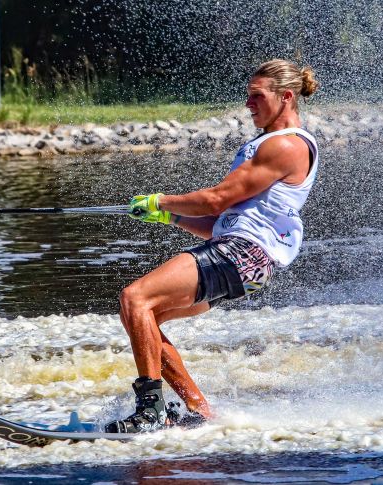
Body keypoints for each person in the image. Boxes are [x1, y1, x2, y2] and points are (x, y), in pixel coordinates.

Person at [104, 59, 321, 433]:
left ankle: (150, 410)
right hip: (242, 253)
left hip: (245, 254)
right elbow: (220, 224)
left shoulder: (286, 146)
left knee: (134, 298)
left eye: (257, 96)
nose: (249, 104)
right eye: (248, 96)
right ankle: (199, 410)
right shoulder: (267, 143)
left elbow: (216, 200)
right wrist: (169, 217)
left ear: (286, 97)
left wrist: (162, 200)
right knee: (144, 321)